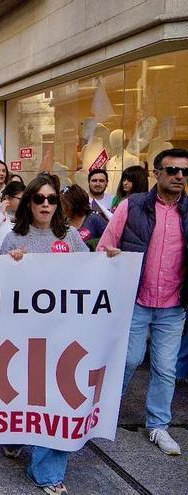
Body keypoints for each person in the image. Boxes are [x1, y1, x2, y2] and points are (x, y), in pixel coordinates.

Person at [0, 175, 88, 495]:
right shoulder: (13, 239)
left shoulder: (72, 236)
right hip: (25, 335)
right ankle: (14, 435)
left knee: (58, 398)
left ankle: (48, 472)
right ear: (29, 203)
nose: (46, 204)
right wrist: (11, 266)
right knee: (25, 392)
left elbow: (90, 276)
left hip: (63, 334)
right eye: (39, 199)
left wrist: (111, 261)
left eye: (52, 199)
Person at [97, 148, 188, 457]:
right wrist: (112, 257)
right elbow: (105, 246)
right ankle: (103, 415)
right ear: (157, 173)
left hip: (174, 306)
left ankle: (159, 425)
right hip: (135, 301)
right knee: (128, 359)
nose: (179, 176)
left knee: (165, 368)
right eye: (173, 170)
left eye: (184, 172)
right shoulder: (131, 206)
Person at [60, 184, 107, 250]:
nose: (63, 208)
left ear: (75, 204)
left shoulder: (93, 218)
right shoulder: (63, 223)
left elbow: (110, 238)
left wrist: (90, 244)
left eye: (65, 205)